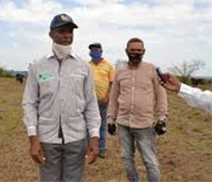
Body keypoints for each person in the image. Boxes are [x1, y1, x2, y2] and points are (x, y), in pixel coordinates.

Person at [23, 13, 101, 182]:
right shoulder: (38, 66)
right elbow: (29, 103)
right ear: (51, 34)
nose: (67, 35)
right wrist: (33, 139)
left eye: (70, 32)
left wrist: (94, 137)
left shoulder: (83, 67)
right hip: (47, 138)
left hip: (76, 138)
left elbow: (91, 103)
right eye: (62, 31)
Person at [107, 37, 168, 182]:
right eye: (132, 50)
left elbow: (161, 94)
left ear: (144, 51)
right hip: (123, 123)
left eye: (139, 50)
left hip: (144, 124)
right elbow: (114, 97)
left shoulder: (152, 69)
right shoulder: (120, 72)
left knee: (150, 162)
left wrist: (162, 118)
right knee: (127, 158)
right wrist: (110, 118)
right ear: (126, 51)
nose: (136, 53)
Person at [88, 42, 115, 158]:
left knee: (102, 125)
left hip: (103, 100)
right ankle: (89, 147)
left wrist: (107, 97)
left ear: (101, 51)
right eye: (92, 50)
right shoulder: (86, 65)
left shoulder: (109, 66)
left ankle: (101, 148)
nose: (94, 52)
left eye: (96, 50)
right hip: (89, 101)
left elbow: (112, 83)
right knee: (88, 124)